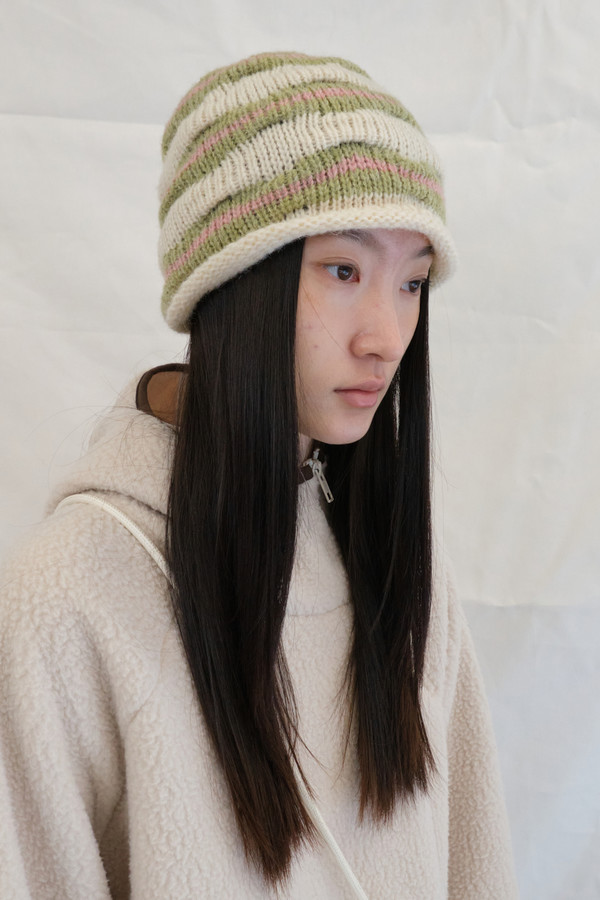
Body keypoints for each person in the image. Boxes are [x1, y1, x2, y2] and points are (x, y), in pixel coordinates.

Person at [0, 52, 517, 899]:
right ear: (235, 280)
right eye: (344, 270)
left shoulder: (402, 569)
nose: (387, 336)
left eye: (412, 282)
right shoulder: (64, 600)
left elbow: (476, 868)